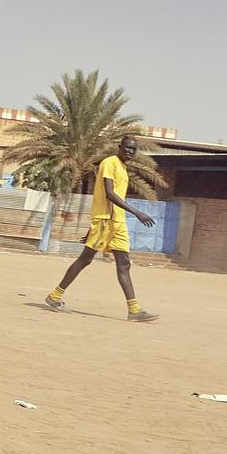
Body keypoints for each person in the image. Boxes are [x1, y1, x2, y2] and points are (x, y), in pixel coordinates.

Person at [44, 134, 158, 321]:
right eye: (127, 147)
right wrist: (137, 213)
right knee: (85, 260)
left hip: (117, 222)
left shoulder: (123, 167)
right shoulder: (109, 163)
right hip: (105, 221)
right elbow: (109, 194)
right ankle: (55, 296)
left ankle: (134, 310)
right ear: (119, 147)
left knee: (124, 264)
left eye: (133, 149)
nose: (130, 151)